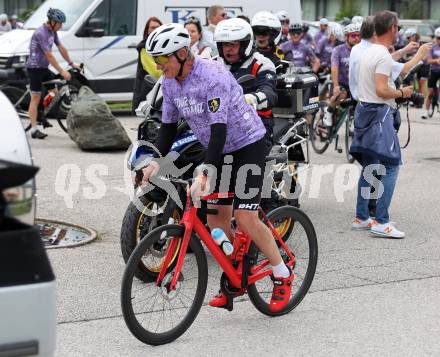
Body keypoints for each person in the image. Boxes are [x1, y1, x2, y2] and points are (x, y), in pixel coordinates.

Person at [143, 23, 294, 313]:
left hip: (248, 143)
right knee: (215, 221)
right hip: (220, 148)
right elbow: (167, 128)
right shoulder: (171, 83)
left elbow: (219, 129)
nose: (159, 66)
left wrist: (205, 171)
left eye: (163, 60)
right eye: (155, 61)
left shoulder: (211, 76)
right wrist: (154, 161)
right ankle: (235, 279)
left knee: (246, 217)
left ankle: (282, 273)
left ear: (183, 53)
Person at [349, 11, 430, 238]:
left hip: (364, 111)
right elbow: (382, 89)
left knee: (370, 167)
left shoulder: (369, 50)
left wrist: (407, 53)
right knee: (392, 165)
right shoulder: (382, 54)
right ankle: (381, 221)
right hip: (378, 114)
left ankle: (362, 216)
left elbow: (391, 67)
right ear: (393, 28)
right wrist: (403, 92)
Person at [215, 17, 277, 149]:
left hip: (255, 122)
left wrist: (248, 99)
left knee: (251, 162)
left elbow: (269, 93)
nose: (228, 49)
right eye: (225, 45)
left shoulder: (261, 63)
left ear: (245, 45)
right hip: (218, 121)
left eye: (233, 44)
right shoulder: (213, 63)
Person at [25, 8, 79, 139]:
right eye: (60, 23)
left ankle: (40, 112)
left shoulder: (52, 32)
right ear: (53, 22)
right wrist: (61, 71)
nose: (61, 26)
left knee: (54, 92)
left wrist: (72, 64)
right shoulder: (41, 33)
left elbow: (61, 48)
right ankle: (33, 130)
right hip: (34, 69)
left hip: (43, 68)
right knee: (35, 98)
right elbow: (49, 55)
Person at [322, 23, 360, 127]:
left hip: (356, 84)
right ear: (347, 37)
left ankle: (353, 119)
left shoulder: (361, 50)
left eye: (358, 35)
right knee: (341, 95)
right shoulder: (338, 50)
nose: (356, 38)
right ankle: (329, 111)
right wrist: (336, 86)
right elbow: (334, 68)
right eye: (353, 35)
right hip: (342, 82)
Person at [132, 16, 162, 114]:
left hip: (158, 90)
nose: (156, 29)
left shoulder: (162, 45)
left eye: (158, 27)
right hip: (147, 93)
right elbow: (155, 72)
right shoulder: (144, 48)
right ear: (147, 31)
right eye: (153, 27)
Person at [422, 28, 440, 119]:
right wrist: (436, 60)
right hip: (434, 71)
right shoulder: (433, 47)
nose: (439, 40)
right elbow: (428, 60)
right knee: (430, 92)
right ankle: (426, 111)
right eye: (438, 38)